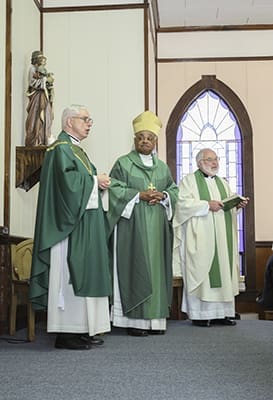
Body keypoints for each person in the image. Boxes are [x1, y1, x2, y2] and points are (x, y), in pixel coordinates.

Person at [29, 104, 112, 350]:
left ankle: (82, 329)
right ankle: (66, 333)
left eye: (90, 119)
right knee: (68, 275)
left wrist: (97, 182)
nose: (89, 123)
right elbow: (67, 185)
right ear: (69, 122)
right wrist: (94, 181)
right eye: (85, 119)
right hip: (67, 228)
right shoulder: (60, 149)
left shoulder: (75, 150)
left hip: (82, 224)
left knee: (85, 272)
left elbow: (80, 182)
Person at [107, 110, 179, 336]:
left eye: (149, 138)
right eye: (141, 137)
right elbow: (113, 189)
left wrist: (164, 197)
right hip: (133, 228)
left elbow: (173, 189)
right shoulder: (123, 164)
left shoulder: (162, 167)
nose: (145, 141)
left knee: (156, 270)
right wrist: (139, 196)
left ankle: (156, 321)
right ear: (135, 140)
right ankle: (135, 322)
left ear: (155, 141)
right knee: (136, 268)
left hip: (157, 227)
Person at [173, 148, 249, 327]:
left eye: (216, 159)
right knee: (203, 272)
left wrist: (238, 205)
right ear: (200, 163)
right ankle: (200, 315)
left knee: (223, 270)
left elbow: (226, 207)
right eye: (210, 159)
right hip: (201, 239)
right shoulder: (189, 182)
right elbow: (182, 205)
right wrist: (207, 205)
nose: (215, 163)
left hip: (223, 240)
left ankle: (223, 314)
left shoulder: (223, 183)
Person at [25, 50, 54, 146]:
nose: (43, 61)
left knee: (46, 115)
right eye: (41, 59)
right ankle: (36, 138)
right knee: (36, 116)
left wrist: (49, 84)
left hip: (43, 95)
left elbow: (45, 81)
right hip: (36, 97)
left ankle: (44, 137)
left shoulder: (41, 69)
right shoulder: (32, 69)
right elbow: (32, 83)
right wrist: (45, 80)